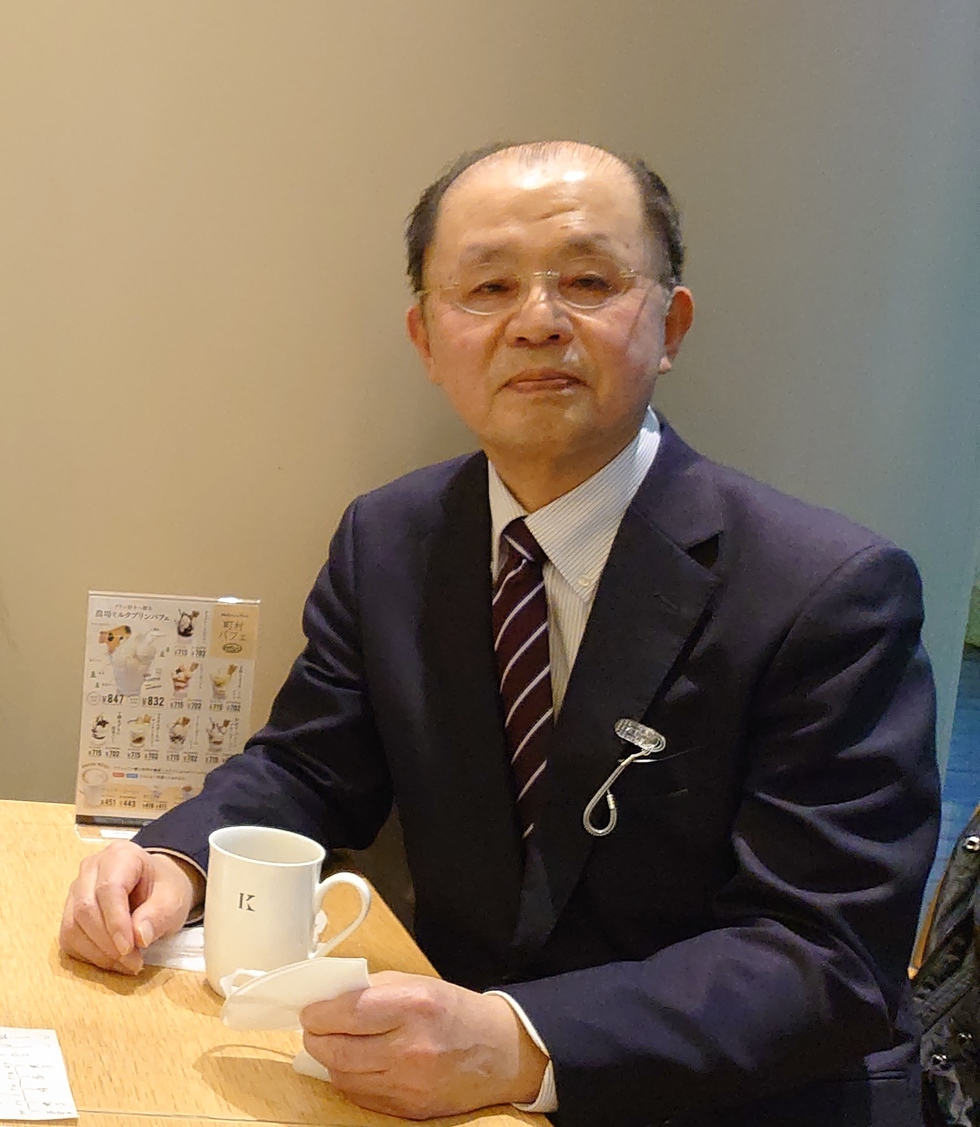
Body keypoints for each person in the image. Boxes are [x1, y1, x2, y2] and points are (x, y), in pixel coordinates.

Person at [60, 141, 940, 1127]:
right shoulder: (389, 538)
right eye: (487, 287)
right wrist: (178, 859)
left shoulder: (827, 591)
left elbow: (825, 954)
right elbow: (309, 765)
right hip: (446, 1091)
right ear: (427, 339)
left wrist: (521, 1039)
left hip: (731, 1100)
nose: (537, 320)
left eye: (589, 281)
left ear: (670, 325)